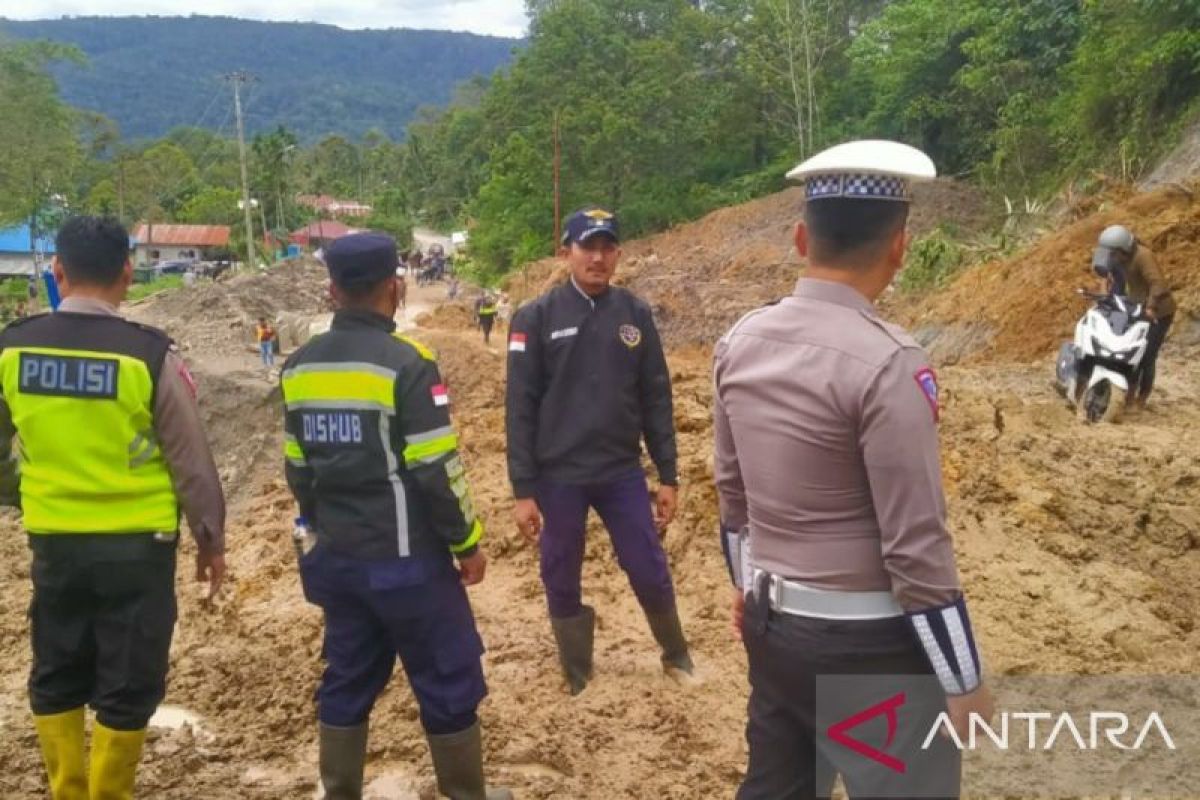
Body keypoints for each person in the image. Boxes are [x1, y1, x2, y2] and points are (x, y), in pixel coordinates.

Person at [713, 142, 993, 799]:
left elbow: (732, 495)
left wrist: (749, 587)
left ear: (801, 237)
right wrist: (963, 679)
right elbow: (916, 544)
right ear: (899, 245)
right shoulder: (891, 363)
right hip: (869, 651)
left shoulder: (740, 342)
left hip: (775, 632)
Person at [0, 215, 225, 799]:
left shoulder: (11, 349)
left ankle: (67, 790)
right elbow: (191, 459)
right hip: (138, 546)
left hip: (55, 542)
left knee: (57, 669)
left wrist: (20, 496)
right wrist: (210, 538)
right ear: (128, 272)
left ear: (57, 271)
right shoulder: (148, 356)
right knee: (129, 679)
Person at [280, 232, 511, 800]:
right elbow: (436, 469)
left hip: (338, 560)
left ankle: (339, 792)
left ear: (332, 290)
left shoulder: (299, 368)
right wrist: (467, 543)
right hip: (409, 564)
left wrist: (321, 528)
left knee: (348, 676)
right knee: (448, 677)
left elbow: (298, 471)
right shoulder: (408, 364)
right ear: (395, 286)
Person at [505, 206, 692, 695]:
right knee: (560, 570)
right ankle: (577, 669)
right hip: (558, 475)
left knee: (646, 563)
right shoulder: (536, 317)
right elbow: (519, 409)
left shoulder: (634, 314)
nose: (598, 257)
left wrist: (667, 474)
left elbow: (656, 396)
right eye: (588, 247)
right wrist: (523, 489)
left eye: (608, 247)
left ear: (619, 254)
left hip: (620, 472)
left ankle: (677, 654)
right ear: (566, 251)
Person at [1091, 225, 1177, 408]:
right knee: (1127, 350)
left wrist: (1151, 307)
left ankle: (1141, 398)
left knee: (1146, 355)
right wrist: (1104, 293)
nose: (1112, 257)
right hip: (1136, 307)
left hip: (1158, 312)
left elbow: (1158, 284)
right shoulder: (1118, 257)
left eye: (1114, 254)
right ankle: (1126, 392)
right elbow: (1105, 273)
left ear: (1123, 250)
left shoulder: (1143, 256)